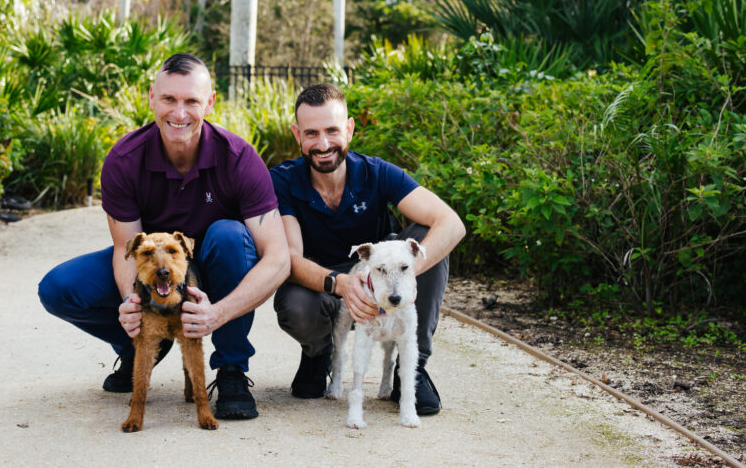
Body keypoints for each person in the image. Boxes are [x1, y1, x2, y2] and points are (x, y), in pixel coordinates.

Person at [38, 53, 289, 420]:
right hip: (155, 268)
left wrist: (215, 314)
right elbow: (126, 248)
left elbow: (278, 258)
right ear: (152, 97)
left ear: (210, 102)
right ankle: (142, 345)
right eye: (170, 99)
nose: (179, 113)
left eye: (191, 101)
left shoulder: (238, 158)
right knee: (59, 288)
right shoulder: (124, 160)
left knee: (230, 236)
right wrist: (131, 304)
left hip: (218, 265)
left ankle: (232, 369)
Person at [269, 83, 465, 413]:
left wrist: (405, 276)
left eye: (332, 130)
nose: (323, 144)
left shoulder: (377, 172)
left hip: (380, 282)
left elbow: (451, 223)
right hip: (323, 287)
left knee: (424, 238)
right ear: (297, 134)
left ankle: (412, 368)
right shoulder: (282, 180)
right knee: (293, 304)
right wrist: (342, 283)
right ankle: (319, 354)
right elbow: (290, 257)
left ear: (349, 129)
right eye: (311, 133)